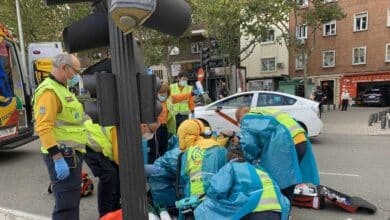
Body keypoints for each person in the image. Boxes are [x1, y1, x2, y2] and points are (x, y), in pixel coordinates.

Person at [33, 53, 85, 220]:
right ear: (64, 68)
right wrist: (57, 158)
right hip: (63, 155)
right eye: (75, 72)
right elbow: (43, 127)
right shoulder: (49, 91)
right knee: (66, 207)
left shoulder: (62, 89)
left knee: (70, 203)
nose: (76, 76)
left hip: (71, 154)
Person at [235, 107, 319, 202]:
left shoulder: (247, 120)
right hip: (300, 139)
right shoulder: (260, 113)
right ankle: (287, 209)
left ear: (239, 120)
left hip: (285, 141)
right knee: (289, 179)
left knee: (278, 179)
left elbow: (249, 144)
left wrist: (248, 160)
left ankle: (279, 209)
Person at [194, 150, 290, 220]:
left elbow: (217, 189)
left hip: (254, 211)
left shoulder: (230, 166)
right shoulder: (259, 170)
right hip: (278, 211)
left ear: (228, 160)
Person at [177, 119, 227, 201]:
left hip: (193, 198)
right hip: (216, 197)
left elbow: (183, 177)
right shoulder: (221, 149)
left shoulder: (188, 152)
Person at [84, 119, 121, 217]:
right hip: (89, 143)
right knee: (108, 175)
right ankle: (104, 215)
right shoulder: (119, 129)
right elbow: (118, 158)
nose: (149, 135)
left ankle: (115, 209)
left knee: (117, 174)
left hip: (100, 144)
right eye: (150, 131)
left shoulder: (130, 126)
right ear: (143, 126)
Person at [156, 83, 195, 157]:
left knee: (164, 147)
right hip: (156, 128)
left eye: (164, 93)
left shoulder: (169, 99)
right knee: (156, 149)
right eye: (160, 93)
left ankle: (162, 162)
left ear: (168, 93)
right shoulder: (153, 102)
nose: (162, 95)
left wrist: (191, 93)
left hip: (165, 127)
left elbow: (181, 97)